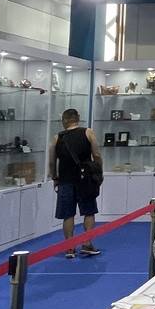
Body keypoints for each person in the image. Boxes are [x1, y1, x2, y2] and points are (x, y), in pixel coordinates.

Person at [50, 109, 103, 259]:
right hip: (85, 180)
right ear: (77, 118)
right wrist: (99, 172)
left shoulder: (57, 138)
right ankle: (87, 243)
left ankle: (70, 247)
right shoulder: (88, 132)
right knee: (89, 212)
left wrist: (54, 177)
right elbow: (97, 155)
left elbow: (52, 161)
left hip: (65, 180)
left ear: (64, 120)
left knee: (68, 215)